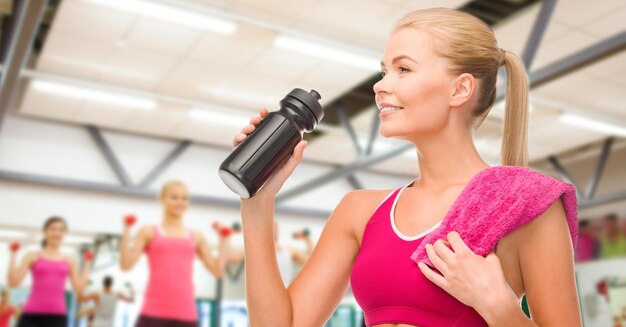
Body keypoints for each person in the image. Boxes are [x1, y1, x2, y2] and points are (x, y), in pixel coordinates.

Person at [233, 7, 581, 327]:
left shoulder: (524, 206)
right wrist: (256, 205)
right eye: (384, 71)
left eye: (403, 69)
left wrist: (499, 306)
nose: (380, 85)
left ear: (459, 89)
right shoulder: (358, 211)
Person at [119, 180, 228, 327]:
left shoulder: (196, 236)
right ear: (162, 199)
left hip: (186, 315)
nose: (180, 202)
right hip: (152, 313)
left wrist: (223, 241)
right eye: (174, 197)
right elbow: (126, 265)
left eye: (184, 198)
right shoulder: (148, 232)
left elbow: (218, 271)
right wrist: (126, 230)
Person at [7, 216, 91, 327]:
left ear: (65, 233)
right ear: (45, 232)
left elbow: (79, 287)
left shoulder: (70, 259)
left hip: (58, 315)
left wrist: (87, 264)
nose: (57, 232)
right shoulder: (32, 256)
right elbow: (13, 282)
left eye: (61, 229)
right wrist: (13, 255)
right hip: (32, 314)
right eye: (53, 229)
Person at [219, 222, 314, 286]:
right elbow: (227, 259)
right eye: (269, 227)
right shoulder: (252, 249)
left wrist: (307, 239)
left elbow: (313, 263)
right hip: (261, 299)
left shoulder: (288, 250)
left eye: (275, 228)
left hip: (285, 297)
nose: (273, 230)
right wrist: (228, 234)